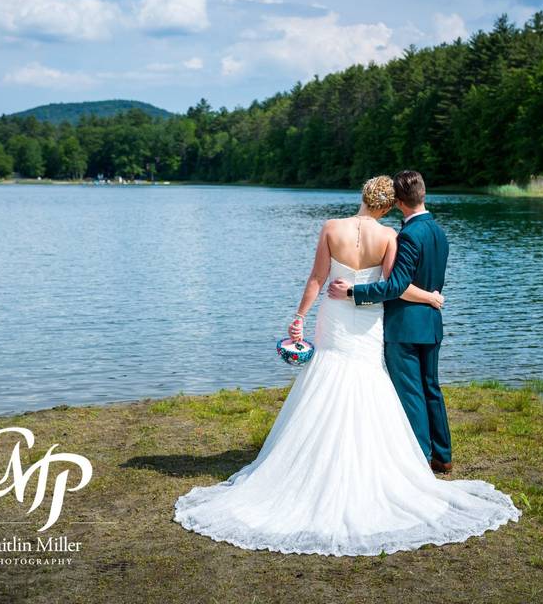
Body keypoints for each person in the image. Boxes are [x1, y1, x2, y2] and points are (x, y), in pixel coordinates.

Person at [173, 175, 520, 556]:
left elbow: (317, 278)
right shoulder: (390, 237)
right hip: (367, 321)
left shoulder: (330, 228)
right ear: (388, 206)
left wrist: (299, 317)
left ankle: (311, 464)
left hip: (335, 318)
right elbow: (394, 287)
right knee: (371, 382)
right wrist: (432, 297)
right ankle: (392, 461)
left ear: (362, 196)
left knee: (327, 378)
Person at [327, 170, 453, 473]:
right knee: (431, 389)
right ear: (422, 193)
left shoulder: (409, 235)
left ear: (397, 202)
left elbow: (396, 286)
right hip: (431, 322)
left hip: (405, 327)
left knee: (411, 392)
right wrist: (433, 298)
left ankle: (420, 456)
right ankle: (444, 455)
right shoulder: (438, 232)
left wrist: (353, 292)